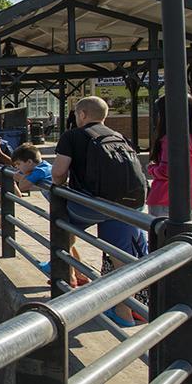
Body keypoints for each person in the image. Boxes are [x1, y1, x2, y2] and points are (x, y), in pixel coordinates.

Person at [51, 96, 148, 325]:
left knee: (60, 224)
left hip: (93, 205)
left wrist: (58, 185)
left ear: (82, 114)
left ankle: (63, 266)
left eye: (76, 113)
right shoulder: (118, 136)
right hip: (126, 205)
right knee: (120, 259)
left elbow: (58, 173)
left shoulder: (72, 135)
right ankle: (125, 314)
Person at [9, 143, 84, 284]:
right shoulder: (45, 167)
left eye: (18, 164)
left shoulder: (39, 171)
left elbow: (23, 186)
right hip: (65, 208)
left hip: (65, 209)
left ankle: (68, 276)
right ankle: (79, 275)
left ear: (30, 162)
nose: (17, 168)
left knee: (65, 242)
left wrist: (22, 176)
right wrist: (25, 174)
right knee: (69, 242)